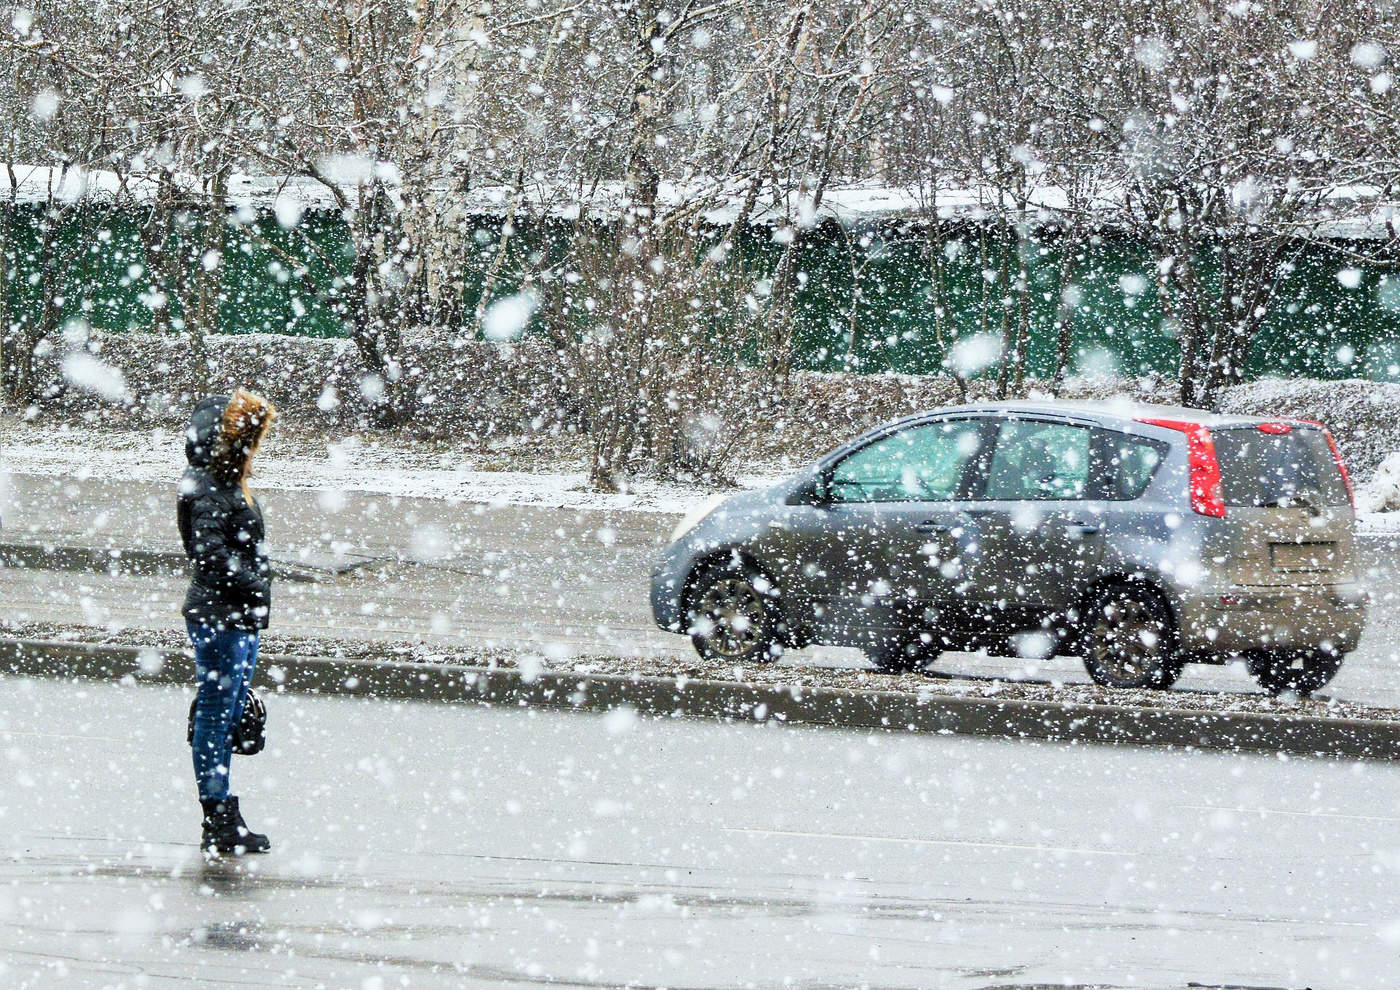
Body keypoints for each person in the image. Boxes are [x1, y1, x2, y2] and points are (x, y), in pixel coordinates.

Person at [177, 389, 278, 855]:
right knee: (219, 717)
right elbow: (210, 554)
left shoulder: (223, 483)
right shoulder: (210, 489)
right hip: (222, 619)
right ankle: (217, 818)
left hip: (236, 617)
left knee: (226, 710)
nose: (257, 447)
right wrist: (254, 586)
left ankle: (220, 812)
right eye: (252, 439)